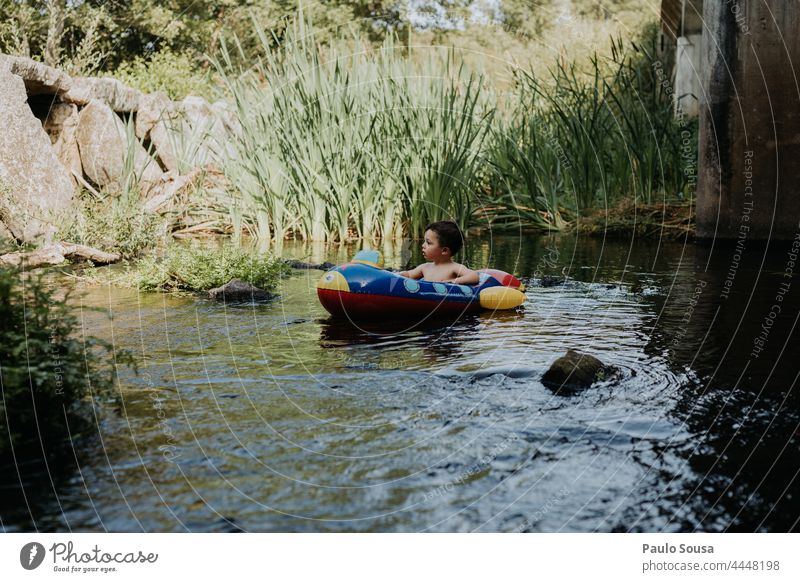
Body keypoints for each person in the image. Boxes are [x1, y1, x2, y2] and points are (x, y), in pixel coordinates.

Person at [398, 221, 480, 284]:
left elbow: (474, 276)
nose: (423, 245)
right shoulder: (425, 267)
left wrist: (453, 281)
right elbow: (409, 275)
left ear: (444, 251)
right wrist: (397, 275)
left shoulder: (454, 267)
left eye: (428, 243)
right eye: (424, 241)